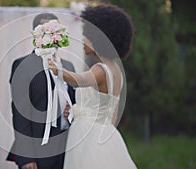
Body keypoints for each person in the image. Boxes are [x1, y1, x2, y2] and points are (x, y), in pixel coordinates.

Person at [48, 3, 137, 169]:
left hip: (89, 138)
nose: (82, 39)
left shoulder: (100, 69)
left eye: (86, 34)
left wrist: (54, 67)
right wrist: (76, 111)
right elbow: (112, 111)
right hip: (106, 134)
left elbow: (77, 80)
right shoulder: (116, 70)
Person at [7, 13, 76, 169]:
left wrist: (73, 112)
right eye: (48, 31)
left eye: (56, 31)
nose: (53, 36)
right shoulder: (22, 65)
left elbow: (76, 102)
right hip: (38, 150)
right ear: (36, 34)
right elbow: (20, 112)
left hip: (68, 148)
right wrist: (26, 157)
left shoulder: (69, 66)